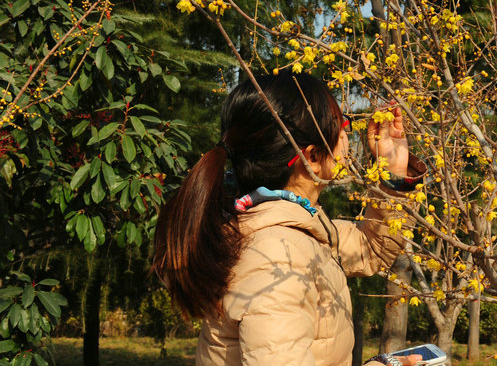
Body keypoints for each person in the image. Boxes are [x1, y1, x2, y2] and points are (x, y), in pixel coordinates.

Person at [152, 70, 425, 366]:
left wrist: (394, 173)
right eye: (341, 126)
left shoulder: (286, 227)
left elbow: (369, 247)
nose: (347, 136)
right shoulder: (276, 257)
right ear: (312, 158)